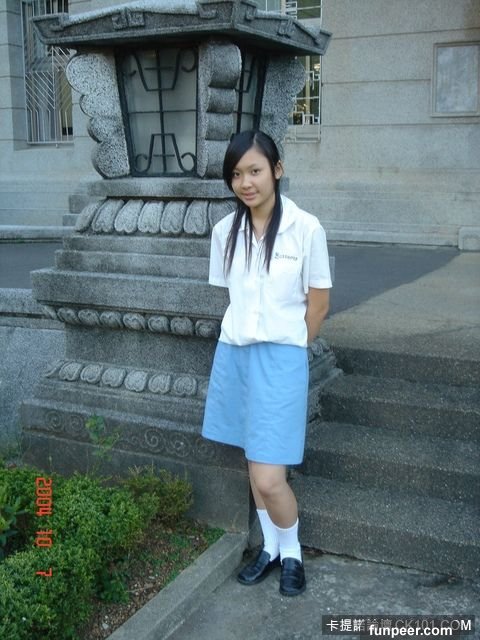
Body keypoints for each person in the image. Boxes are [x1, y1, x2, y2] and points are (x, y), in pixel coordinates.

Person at [202, 130, 332, 597]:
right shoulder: (224, 232)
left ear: (277, 170)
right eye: (236, 174)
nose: (245, 182)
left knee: (269, 476)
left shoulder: (306, 228)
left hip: (281, 360)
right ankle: (272, 548)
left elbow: (318, 305)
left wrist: (292, 348)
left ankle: (291, 551)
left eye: (255, 170)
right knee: (252, 458)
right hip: (235, 355)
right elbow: (233, 296)